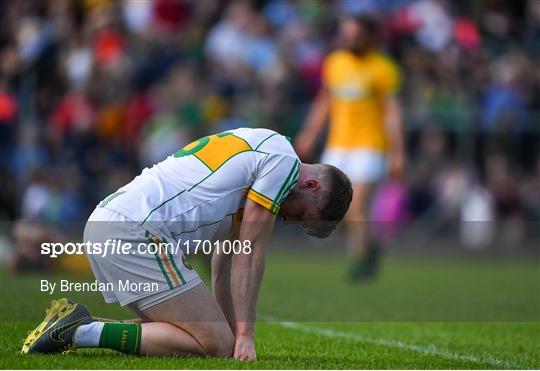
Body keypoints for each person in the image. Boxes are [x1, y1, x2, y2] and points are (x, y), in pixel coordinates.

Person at [22, 127, 352, 361]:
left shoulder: (263, 149)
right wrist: (245, 337)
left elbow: (227, 258)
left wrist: (230, 332)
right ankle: (78, 332)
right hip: (137, 230)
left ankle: (70, 326)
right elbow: (250, 254)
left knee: (192, 336)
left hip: (110, 220)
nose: (289, 222)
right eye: (303, 217)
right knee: (214, 344)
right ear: (310, 186)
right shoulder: (285, 164)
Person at [295, 15, 405, 282]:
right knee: (332, 208)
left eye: (353, 35)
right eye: (345, 35)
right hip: (338, 145)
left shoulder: (383, 68)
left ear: (369, 36)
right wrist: (308, 134)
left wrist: (397, 151)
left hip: (370, 146)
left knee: (357, 208)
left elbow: (392, 113)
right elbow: (325, 103)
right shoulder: (335, 63)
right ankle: (370, 246)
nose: (347, 40)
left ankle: (358, 264)